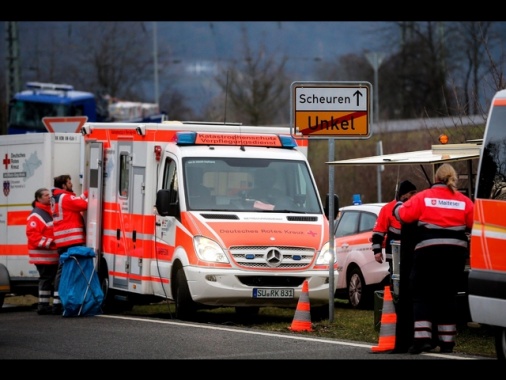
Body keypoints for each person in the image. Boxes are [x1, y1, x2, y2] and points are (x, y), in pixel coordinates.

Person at [393, 164, 474, 354]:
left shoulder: (424, 197)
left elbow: (403, 215)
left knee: (421, 293)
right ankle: (447, 342)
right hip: (455, 255)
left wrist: (397, 206)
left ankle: (422, 339)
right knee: (448, 295)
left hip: (428, 253)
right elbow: (475, 223)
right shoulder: (463, 201)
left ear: (436, 178)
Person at [51, 174, 89, 315]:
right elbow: (83, 204)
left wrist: (85, 193)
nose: (71, 184)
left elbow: (77, 201)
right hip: (71, 240)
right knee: (69, 271)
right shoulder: (65, 197)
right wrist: (88, 195)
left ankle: (58, 302)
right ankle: (62, 302)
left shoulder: (57, 198)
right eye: (69, 182)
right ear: (63, 185)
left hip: (63, 240)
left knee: (63, 271)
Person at [26, 188, 59, 315]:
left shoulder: (48, 211)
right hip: (43, 256)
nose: (48, 197)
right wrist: (51, 243)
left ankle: (45, 304)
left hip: (50, 256)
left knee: (49, 279)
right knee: (46, 279)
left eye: (49, 195)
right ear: (38, 198)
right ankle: (43, 305)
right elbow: (33, 235)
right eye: (45, 195)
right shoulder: (36, 215)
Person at [371, 180, 417, 271]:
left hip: (412, 253)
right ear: (403, 195)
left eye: (415, 193)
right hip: (395, 254)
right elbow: (378, 232)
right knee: (396, 279)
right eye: (412, 193)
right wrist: (377, 251)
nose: (415, 196)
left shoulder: (417, 206)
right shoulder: (387, 209)